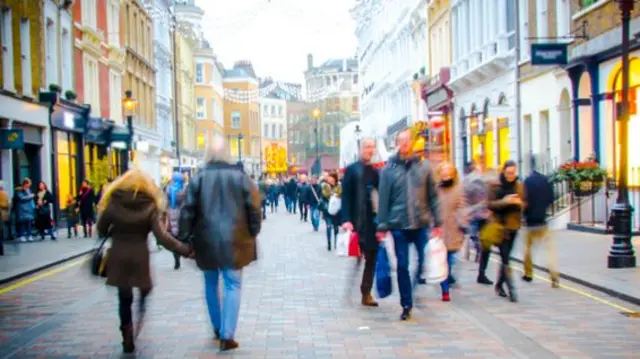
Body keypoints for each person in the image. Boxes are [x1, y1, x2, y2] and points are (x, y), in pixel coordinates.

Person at [96, 169, 192, 354]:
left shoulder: (113, 202)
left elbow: (101, 229)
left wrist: (114, 228)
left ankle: (127, 334)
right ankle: (139, 315)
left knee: (124, 299)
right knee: (144, 288)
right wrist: (185, 250)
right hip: (140, 256)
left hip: (118, 255)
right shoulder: (149, 205)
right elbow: (162, 237)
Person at [179, 139, 262, 351]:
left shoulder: (198, 179)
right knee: (232, 284)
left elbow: (187, 210)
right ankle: (227, 335)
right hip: (235, 239)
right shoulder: (241, 178)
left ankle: (217, 327)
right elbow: (254, 208)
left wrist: (185, 237)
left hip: (205, 239)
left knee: (210, 283)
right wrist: (253, 231)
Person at [377, 129, 441, 321]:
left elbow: (433, 196)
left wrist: (437, 222)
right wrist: (382, 226)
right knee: (403, 265)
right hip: (398, 225)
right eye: (401, 140)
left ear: (412, 142)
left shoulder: (424, 167)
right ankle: (407, 303)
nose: (404, 144)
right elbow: (383, 199)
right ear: (397, 143)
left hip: (421, 222)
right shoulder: (389, 169)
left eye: (407, 140)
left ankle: (414, 286)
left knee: (425, 260)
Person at [341, 138, 380, 307]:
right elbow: (346, 197)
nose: (369, 150)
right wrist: (346, 220)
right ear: (360, 149)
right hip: (358, 221)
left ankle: (366, 292)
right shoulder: (351, 170)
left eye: (372, 147)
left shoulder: (376, 171)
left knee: (371, 257)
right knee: (358, 256)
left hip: (372, 221)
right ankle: (352, 287)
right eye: (366, 147)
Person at [487, 160, 525, 302]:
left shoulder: (519, 185)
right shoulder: (495, 185)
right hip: (500, 227)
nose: (511, 176)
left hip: (513, 227)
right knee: (505, 258)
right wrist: (505, 201)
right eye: (508, 173)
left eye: (513, 173)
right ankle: (512, 290)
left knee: (506, 258)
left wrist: (520, 204)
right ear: (503, 171)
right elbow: (490, 204)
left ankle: (498, 284)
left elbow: (524, 204)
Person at [522, 157, 558, 287]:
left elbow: (524, 201)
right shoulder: (545, 180)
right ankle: (554, 275)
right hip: (543, 221)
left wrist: (525, 215)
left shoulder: (527, 181)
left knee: (528, 250)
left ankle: (528, 273)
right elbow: (551, 197)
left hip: (530, 222)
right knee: (549, 251)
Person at [435, 163, 467, 302]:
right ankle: (445, 290)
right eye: (444, 172)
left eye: (449, 172)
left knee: (451, 259)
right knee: (443, 261)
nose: (446, 175)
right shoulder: (435, 190)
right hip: (440, 230)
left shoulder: (458, 189)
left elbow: (462, 207)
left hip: (454, 229)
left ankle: (448, 278)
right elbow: (431, 208)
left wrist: (463, 221)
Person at [166, 172, 187, 270]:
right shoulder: (184, 189)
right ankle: (180, 252)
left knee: (173, 236)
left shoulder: (169, 189)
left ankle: (176, 256)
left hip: (171, 213)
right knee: (179, 236)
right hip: (181, 214)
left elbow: (164, 202)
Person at [320, 172, 342, 251]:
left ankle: (336, 243)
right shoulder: (325, 186)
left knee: (336, 228)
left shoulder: (339, 185)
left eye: (332, 178)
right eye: (329, 178)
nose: (330, 179)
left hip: (336, 210)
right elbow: (324, 195)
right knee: (328, 227)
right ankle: (329, 243)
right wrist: (332, 194)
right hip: (327, 210)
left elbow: (341, 193)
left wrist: (335, 194)